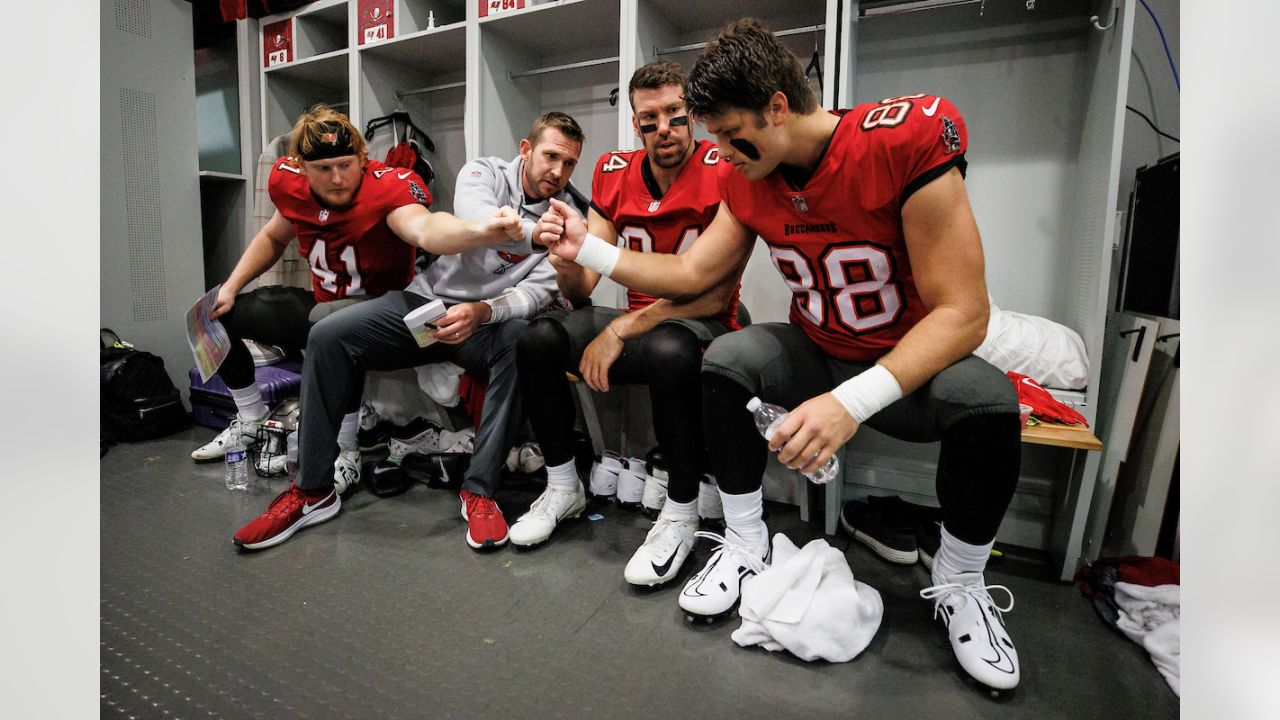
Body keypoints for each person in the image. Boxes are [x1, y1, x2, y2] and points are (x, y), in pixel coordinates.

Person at [540, 19, 1024, 692]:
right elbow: (690, 275)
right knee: (730, 358)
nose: (721, 153)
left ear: (776, 105)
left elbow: (965, 312)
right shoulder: (747, 178)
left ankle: (961, 583)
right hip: (819, 345)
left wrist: (850, 403)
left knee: (990, 404)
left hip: (905, 356)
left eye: (728, 134)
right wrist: (585, 249)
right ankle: (744, 542)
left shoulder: (899, 139)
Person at [233, 112, 587, 553]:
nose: (557, 171)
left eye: (569, 163)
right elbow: (466, 216)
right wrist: (522, 233)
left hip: (479, 325)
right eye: (550, 156)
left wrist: (481, 311)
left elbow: (536, 295)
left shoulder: (572, 216)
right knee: (328, 335)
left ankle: (479, 490)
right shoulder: (486, 172)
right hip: (425, 311)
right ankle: (312, 491)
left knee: (520, 342)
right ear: (526, 149)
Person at [192, 105, 517, 489]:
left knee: (327, 323)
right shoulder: (289, 183)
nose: (337, 179)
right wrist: (230, 286)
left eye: (346, 165)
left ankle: (346, 448)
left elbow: (426, 229)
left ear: (363, 158)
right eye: (323, 169)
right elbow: (275, 237)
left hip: (393, 315)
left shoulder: (387, 186)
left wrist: (482, 230)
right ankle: (250, 418)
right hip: (325, 303)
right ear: (300, 166)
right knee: (215, 314)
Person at [511, 62, 741, 589]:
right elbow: (582, 288)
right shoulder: (614, 171)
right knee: (539, 337)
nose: (664, 128)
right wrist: (564, 256)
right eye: (650, 118)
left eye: (676, 116)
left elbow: (714, 291)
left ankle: (681, 511)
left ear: (693, 117)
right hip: (642, 322)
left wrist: (619, 330)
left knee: (667, 351)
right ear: (636, 124)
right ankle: (564, 485)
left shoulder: (721, 165)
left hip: (699, 320)